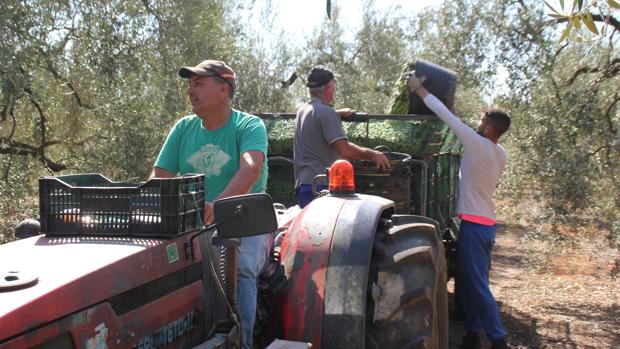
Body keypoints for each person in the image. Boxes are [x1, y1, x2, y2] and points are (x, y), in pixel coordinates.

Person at [151, 59, 270, 349]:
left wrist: (218, 205)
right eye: (189, 84)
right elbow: (160, 176)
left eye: (198, 83)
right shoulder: (183, 129)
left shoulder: (248, 125)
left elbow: (251, 168)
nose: (190, 90)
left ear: (223, 89)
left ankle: (242, 342)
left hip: (245, 221)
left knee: (239, 267)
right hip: (194, 223)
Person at [407, 73, 511, 349]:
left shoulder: (476, 144)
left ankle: (499, 339)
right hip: (488, 225)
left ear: (489, 129)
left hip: (474, 228)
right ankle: (473, 335)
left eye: (481, 122)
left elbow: (445, 116)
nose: (477, 124)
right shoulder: (501, 153)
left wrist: (418, 89)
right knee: (473, 282)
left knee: (477, 287)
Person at [293, 65, 391, 207]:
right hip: (322, 187)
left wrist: (337, 113)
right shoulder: (326, 113)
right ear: (329, 88)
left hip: (305, 185)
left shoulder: (303, 109)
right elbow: (344, 150)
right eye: (333, 85)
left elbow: (317, 118)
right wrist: (373, 154)